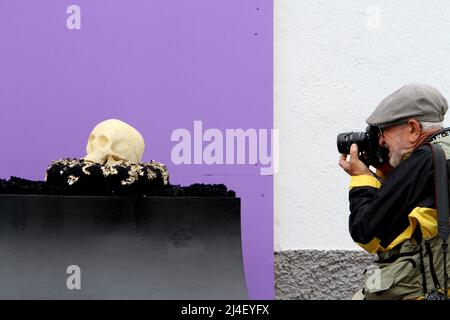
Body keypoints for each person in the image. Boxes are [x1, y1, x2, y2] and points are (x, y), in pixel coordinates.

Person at [339, 83, 450, 300]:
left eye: (384, 131)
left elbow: (366, 233)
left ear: (412, 129)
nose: (380, 140)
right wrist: (389, 175)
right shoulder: (441, 156)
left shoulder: (425, 160)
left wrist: (361, 178)